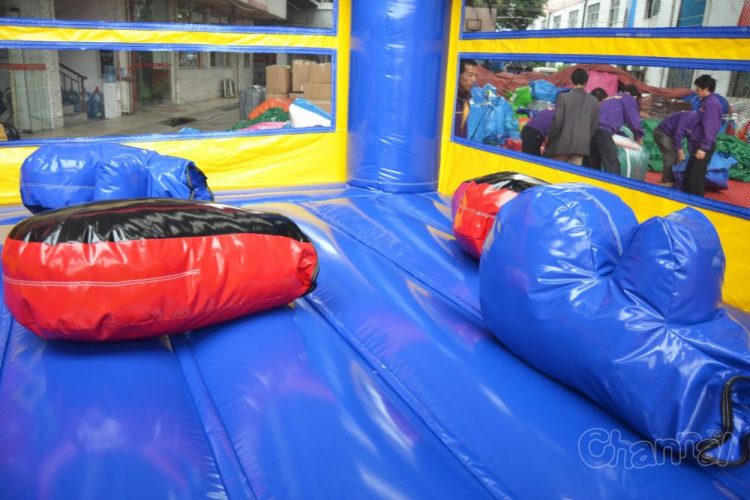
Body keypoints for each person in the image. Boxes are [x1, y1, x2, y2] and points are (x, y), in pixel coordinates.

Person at [546, 68, 599, 166]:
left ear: (571, 81)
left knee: (555, 172)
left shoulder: (563, 97)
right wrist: (585, 139)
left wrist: (550, 140)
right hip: (581, 146)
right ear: (586, 82)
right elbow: (593, 126)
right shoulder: (594, 101)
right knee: (573, 176)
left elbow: (557, 122)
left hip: (562, 144)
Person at [589, 85, 644, 175]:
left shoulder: (611, 99)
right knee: (613, 167)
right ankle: (613, 187)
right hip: (603, 132)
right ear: (633, 96)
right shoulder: (629, 99)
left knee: (593, 167)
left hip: (591, 131)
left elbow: (612, 124)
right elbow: (634, 121)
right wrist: (639, 137)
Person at [683, 75, 723, 196]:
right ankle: (687, 199)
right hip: (697, 144)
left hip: (703, 146)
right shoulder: (704, 102)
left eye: (698, 88)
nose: (696, 91)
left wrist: (703, 148)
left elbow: (710, 128)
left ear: (706, 88)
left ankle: (697, 202)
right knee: (690, 174)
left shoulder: (710, 104)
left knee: (696, 177)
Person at [653, 110, 700, 187]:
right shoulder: (689, 116)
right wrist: (680, 151)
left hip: (671, 135)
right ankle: (666, 182)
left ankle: (672, 179)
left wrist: (691, 153)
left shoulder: (698, 124)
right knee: (670, 155)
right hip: (663, 132)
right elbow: (679, 133)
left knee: (675, 157)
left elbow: (691, 138)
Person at [454, 59, 478, 139]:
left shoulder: (468, 98)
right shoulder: (449, 98)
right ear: (458, 74)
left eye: (475, 76)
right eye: (470, 75)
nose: (473, 80)